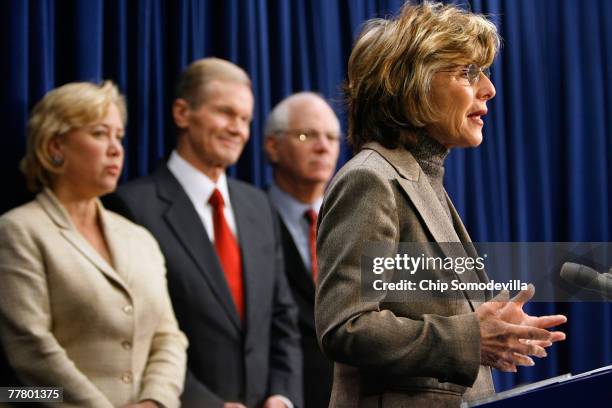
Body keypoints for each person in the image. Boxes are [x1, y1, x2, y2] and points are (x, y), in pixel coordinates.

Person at [314, 2, 567, 407]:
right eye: (467, 73)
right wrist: (470, 336)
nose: (489, 89)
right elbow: (346, 326)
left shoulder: (424, 179)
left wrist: (496, 328)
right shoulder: (371, 179)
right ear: (411, 84)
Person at [103, 58, 302, 408]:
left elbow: (282, 317)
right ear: (182, 113)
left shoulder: (259, 205)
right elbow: (137, 333)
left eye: (245, 119)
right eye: (225, 113)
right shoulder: (131, 206)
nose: (238, 129)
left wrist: (281, 396)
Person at [0, 81, 188, 408]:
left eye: (119, 136)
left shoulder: (139, 238)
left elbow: (168, 337)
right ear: (55, 146)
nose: (115, 148)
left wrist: (155, 401)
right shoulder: (19, 230)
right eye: (100, 134)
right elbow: (30, 348)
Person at [264, 92, 340, 408]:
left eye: (332, 137)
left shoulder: (357, 220)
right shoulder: (247, 219)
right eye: (306, 135)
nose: (323, 147)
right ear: (273, 146)